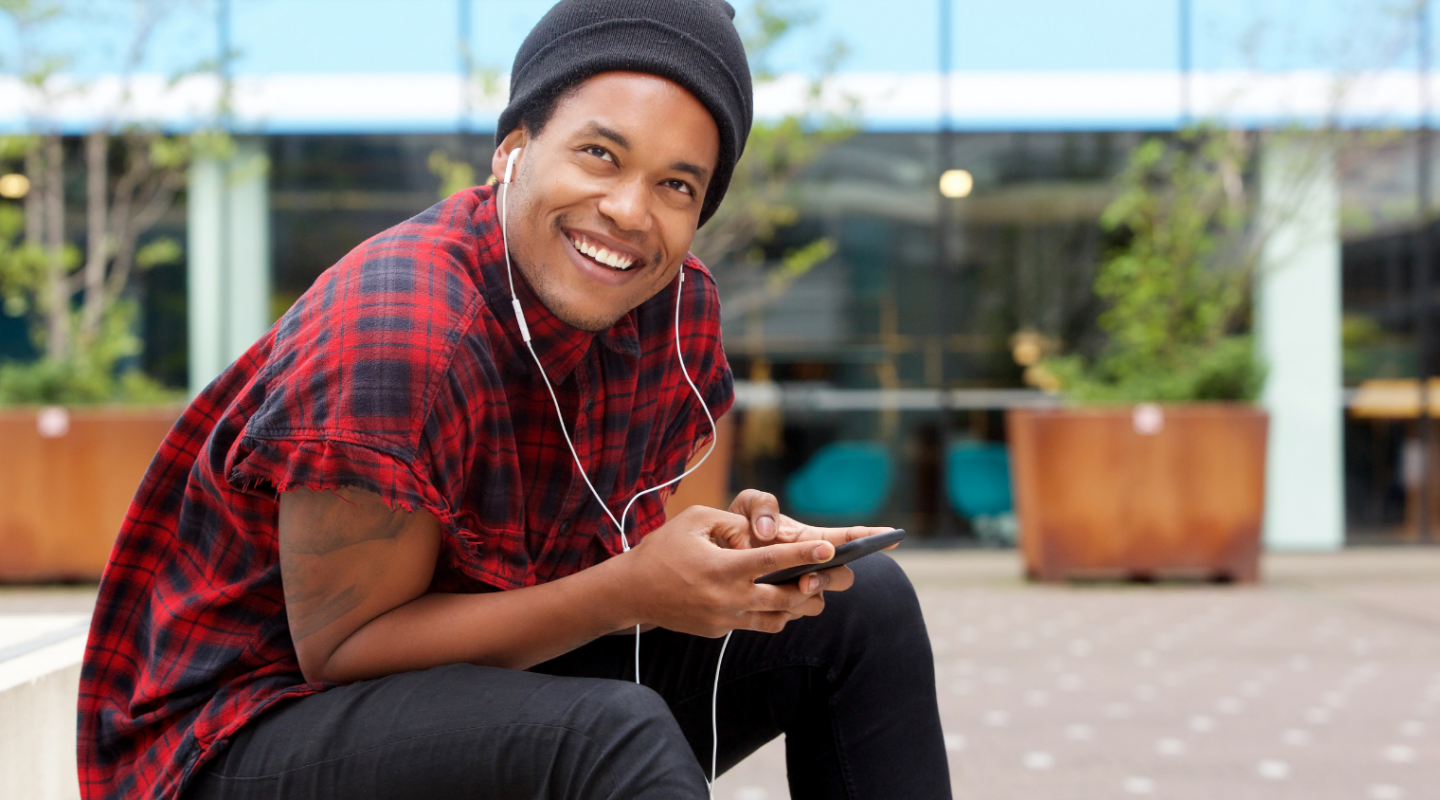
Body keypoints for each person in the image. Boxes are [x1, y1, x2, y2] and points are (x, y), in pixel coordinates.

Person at [77, 1, 951, 798]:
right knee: (612, 735)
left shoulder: (672, 307)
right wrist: (632, 591)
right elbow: (343, 653)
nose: (627, 210)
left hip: (487, 688)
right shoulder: (401, 332)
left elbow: (613, 550)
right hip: (238, 740)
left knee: (858, 605)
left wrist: (725, 553)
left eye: (676, 185)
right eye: (599, 154)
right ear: (513, 151)